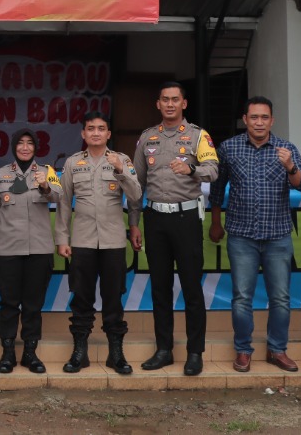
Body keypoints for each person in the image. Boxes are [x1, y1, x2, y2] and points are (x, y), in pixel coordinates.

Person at [209, 95, 301, 373]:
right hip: (241, 235)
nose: (259, 122)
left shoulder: (287, 149)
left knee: (281, 298)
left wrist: (290, 166)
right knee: (242, 297)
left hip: (278, 235)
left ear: (272, 120)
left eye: (265, 117)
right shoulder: (229, 148)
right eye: (254, 117)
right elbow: (217, 188)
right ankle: (243, 350)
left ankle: (277, 350)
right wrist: (215, 222)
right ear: (245, 120)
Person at [128, 81, 218, 377]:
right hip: (155, 219)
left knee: (191, 287)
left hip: (186, 219)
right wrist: (134, 223)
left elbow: (213, 171)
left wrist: (192, 169)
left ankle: (195, 352)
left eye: (175, 99)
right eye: (164, 99)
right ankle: (164, 349)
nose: (169, 104)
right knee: (160, 287)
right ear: (158, 104)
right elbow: (136, 184)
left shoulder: (198, 136)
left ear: (184, 103)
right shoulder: (147, 138)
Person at [57, 113, 141, 375]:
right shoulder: (73, 163)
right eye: (91, 128)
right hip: (82, 241)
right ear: (83, 134)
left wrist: (120, 170)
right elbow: (64, 203)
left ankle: (116, 354)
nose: (95, 133)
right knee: (81, 298)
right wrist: (62, 239)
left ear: (108, 134)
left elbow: (136, 196)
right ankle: (79, 353)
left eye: (101, 129)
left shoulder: (121, 160)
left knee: (113, 298)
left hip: (113, 241)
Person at [0, 127, 60, 375]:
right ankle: (7, 353)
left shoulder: (47, 172)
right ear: (14, 147)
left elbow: (59, 197)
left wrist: (45, 186)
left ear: (36, 148)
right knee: (9, 303)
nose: (25, 147)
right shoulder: (1, 175)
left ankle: (30, 353)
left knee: (33, 305)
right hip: (7, 250)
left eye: (30, 143)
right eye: (20, 143)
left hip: (39, 250)